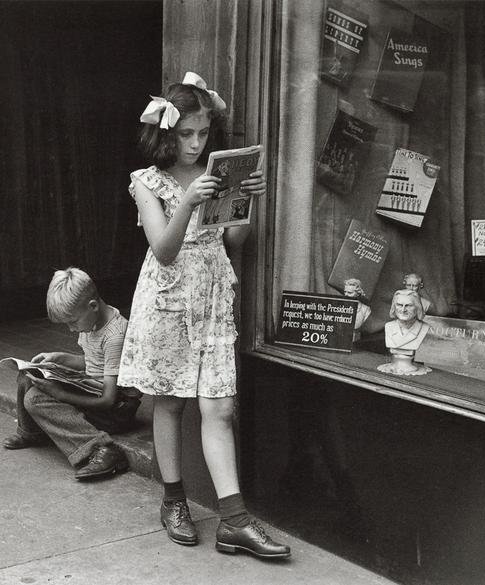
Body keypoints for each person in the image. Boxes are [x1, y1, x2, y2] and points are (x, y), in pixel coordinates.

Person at [117, 72, 290, 559]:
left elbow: (234, 242)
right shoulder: (146, 182)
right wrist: (189, 203)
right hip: (168, 297)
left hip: (212, 295)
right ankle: (173, 500)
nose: (195, 144)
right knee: (170, 402)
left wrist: (245, 199)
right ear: (166, 134)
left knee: (220, 407)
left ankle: (234, 521)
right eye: (185, 134)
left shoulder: (215, 173)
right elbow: (164, 249)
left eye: (203, 133)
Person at [2, 267, 141, 480]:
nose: (71, 329)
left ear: (92, 306)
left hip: (116, 410)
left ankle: (101, 449)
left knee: (36, 400)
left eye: (73, 322)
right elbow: (92, 363)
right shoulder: (93, 323)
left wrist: (60, 395)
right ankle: (31, 432)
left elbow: (108, 400)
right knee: (27, 376)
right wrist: (59, 358)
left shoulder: (114, 337)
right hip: (94, 391)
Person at [377, 289, 431, 376]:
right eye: (399, 305)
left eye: (408, 306)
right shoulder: (389, 326)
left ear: (417, 307)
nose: (403, 310)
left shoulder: (424, 328)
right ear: (394, 306)